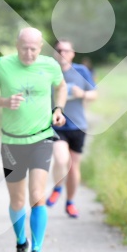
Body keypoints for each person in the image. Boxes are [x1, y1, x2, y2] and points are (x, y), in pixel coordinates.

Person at [0, 27, 67, 252]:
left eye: (33, 49)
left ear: (40, 47)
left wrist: (58, 109)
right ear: (17, 46)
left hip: (41, 138)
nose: (28, 53)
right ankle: (22, 244)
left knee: (37, 195)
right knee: (18, 200)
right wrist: (4, 102)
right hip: (11, 142)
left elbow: (61, 87)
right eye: (24, 48)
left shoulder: (50, 65)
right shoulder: (3, 65)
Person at [46, 40, 98, 218]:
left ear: (73, 53)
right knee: (61, 159)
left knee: (74, 167)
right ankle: (57, 187)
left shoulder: (81, 71)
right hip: (56, 124)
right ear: (54, 52)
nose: (62, 53)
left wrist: (81, 93)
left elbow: (94, 93)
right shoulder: (48, 70)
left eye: (66, 50)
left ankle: (70, 202)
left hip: (78, 125)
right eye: (59, 50)